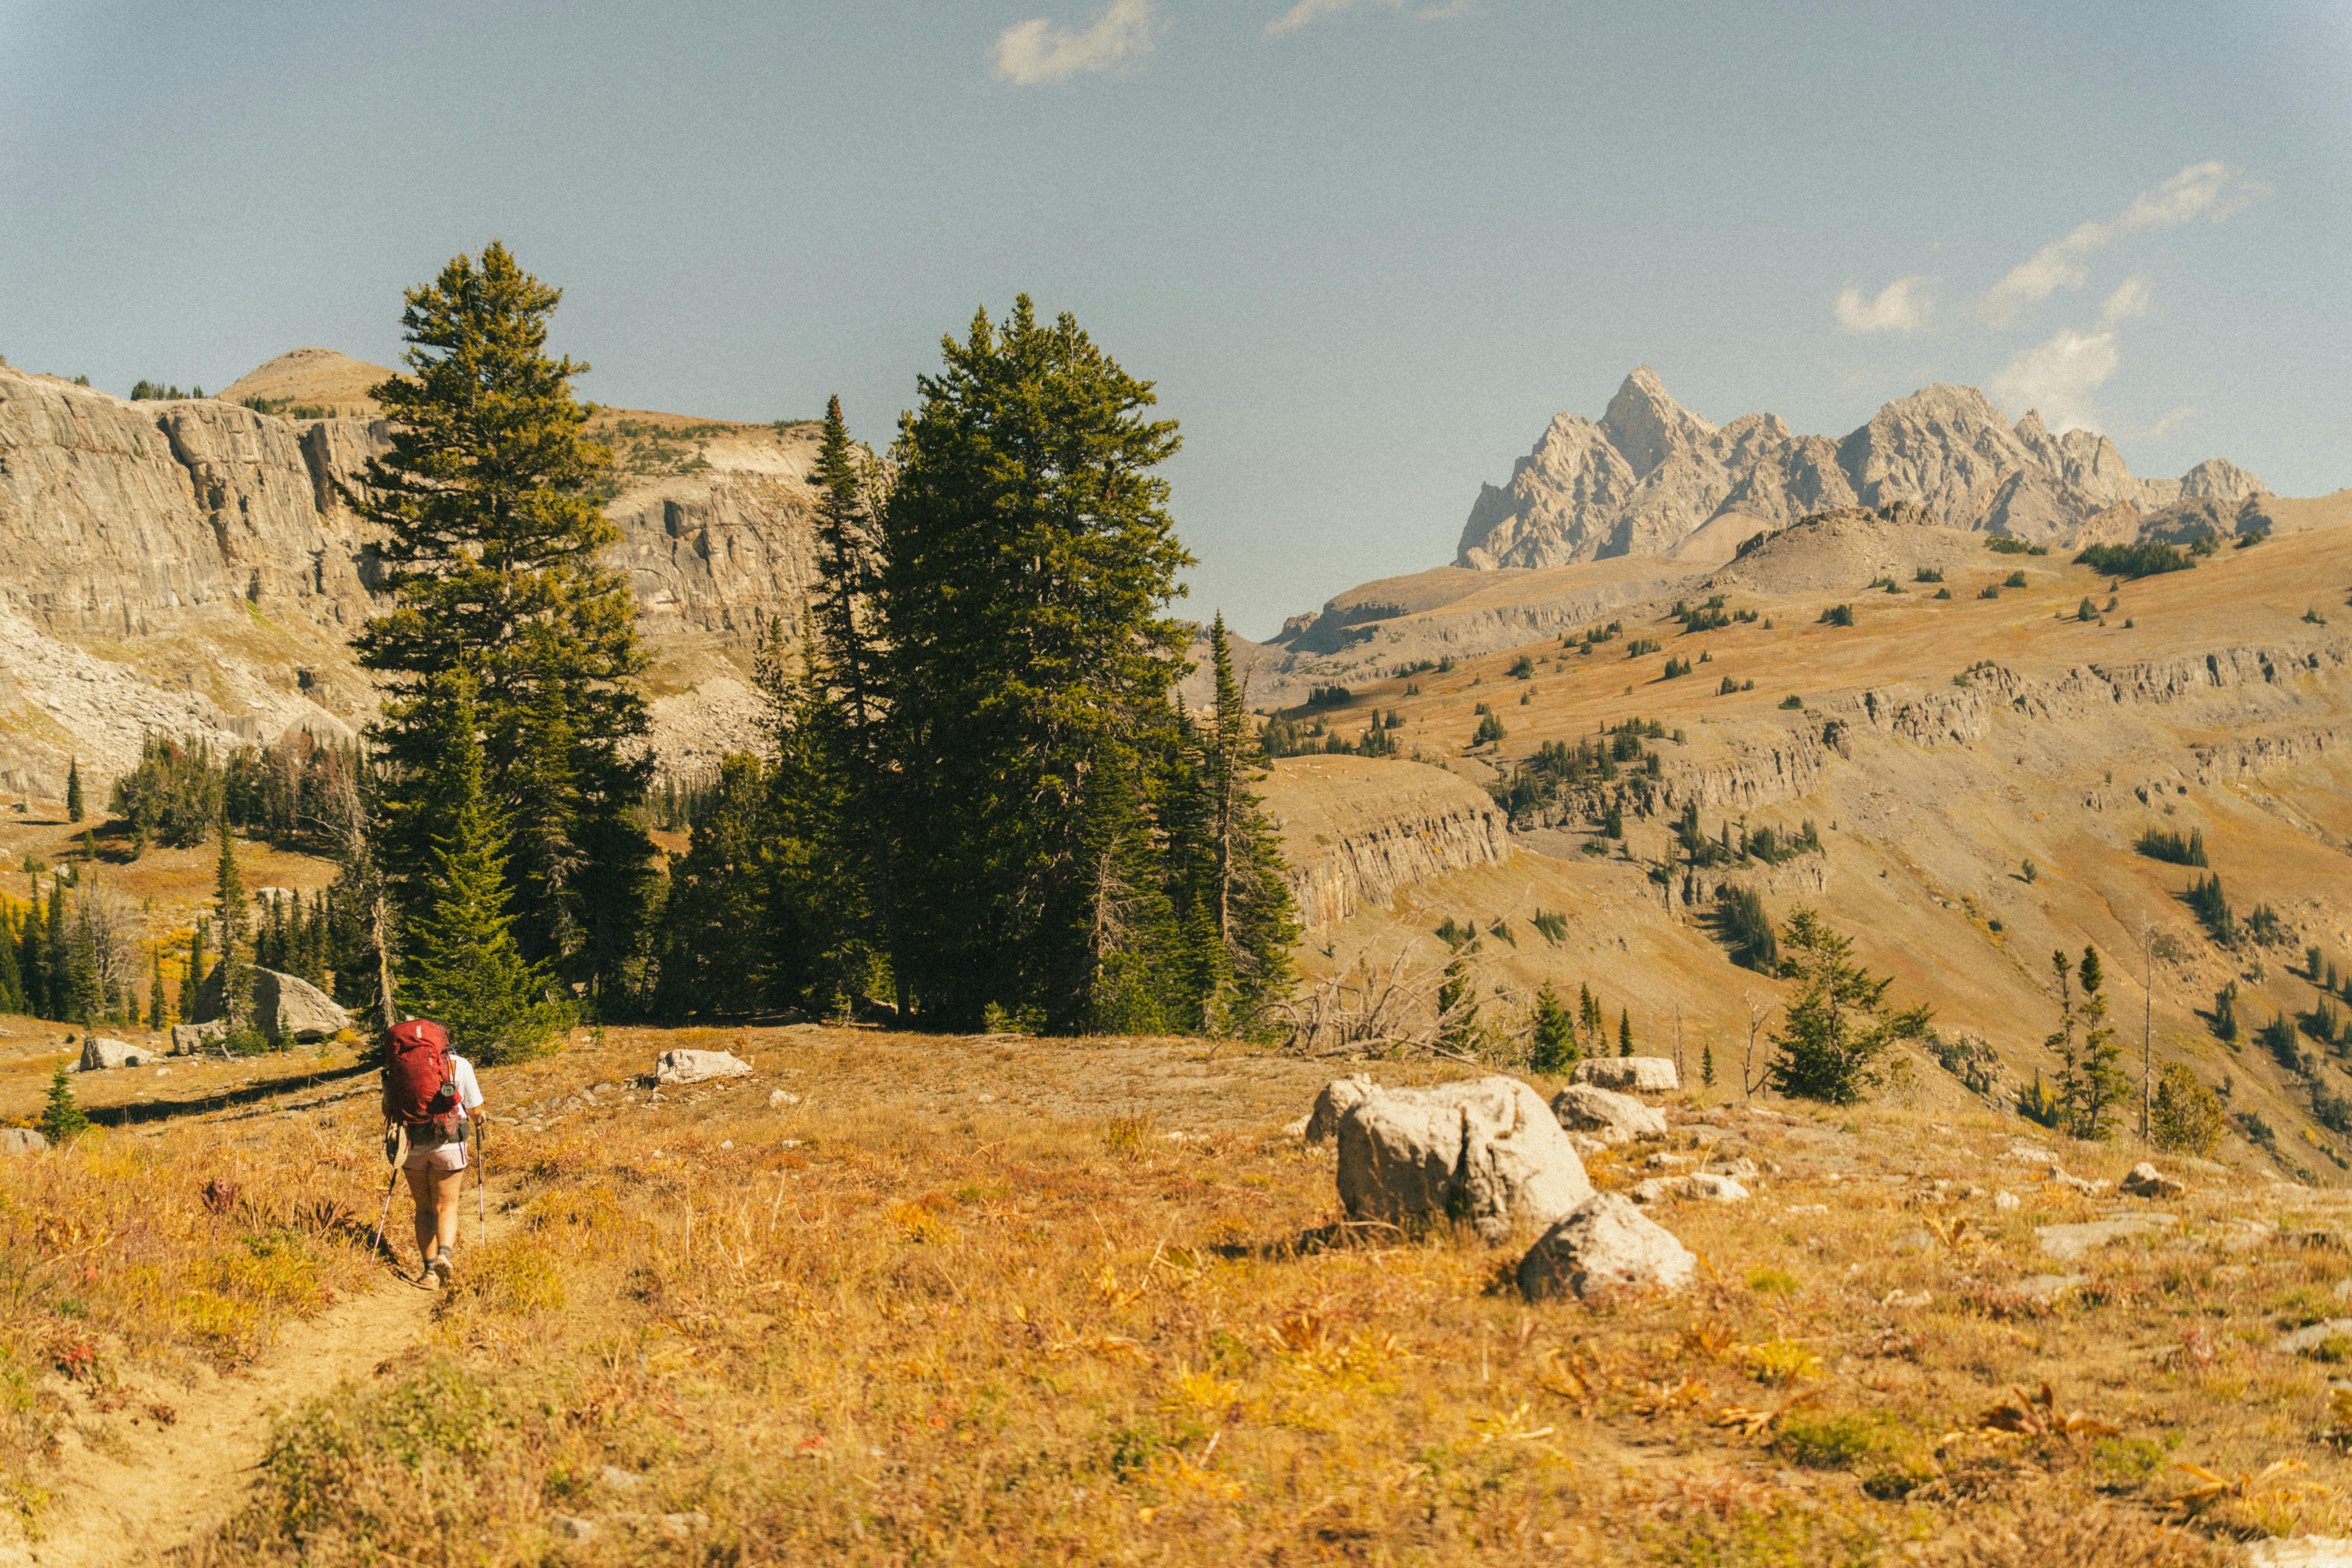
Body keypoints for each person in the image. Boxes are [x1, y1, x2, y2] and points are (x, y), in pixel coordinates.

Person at [391, 1048, 486, 1286]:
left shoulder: (403, 1065)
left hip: (412, 1144)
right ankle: (445, 1255)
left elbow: (388, 1108)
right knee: (446, 1206)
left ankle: (429, 1273)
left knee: (423, 1208)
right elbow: (475, 1110)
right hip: (450, 1142)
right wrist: (480, 1119)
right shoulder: (459, 1063)